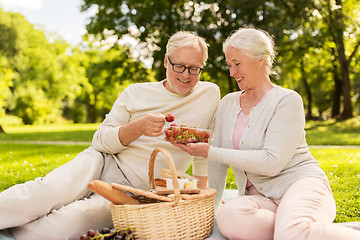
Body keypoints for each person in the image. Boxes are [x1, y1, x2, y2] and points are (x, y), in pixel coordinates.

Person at [0, 31, 220, 240]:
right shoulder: (136, 92)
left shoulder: (209, 94)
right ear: (165, 61)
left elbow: (203, 152)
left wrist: (201, 201)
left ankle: (16, 229)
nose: (186, 75)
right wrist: (138, 127)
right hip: (102, 161)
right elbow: (100, 140)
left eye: (194, 69)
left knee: (65, 225)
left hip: (135, 191)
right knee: (45, 192)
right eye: (179, 66)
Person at [173, 27, 360, 240]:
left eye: (237, 64)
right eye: (229, 65)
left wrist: (210, 151)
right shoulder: (227, 104)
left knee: (293, 233)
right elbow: (218, 164)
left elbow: (271, 162)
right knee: (227, 216)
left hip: (301, 185)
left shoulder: (287, 100)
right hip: (261, 200)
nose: (232, 72)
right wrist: (212, 210)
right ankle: (294, 227)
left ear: (261, 59)